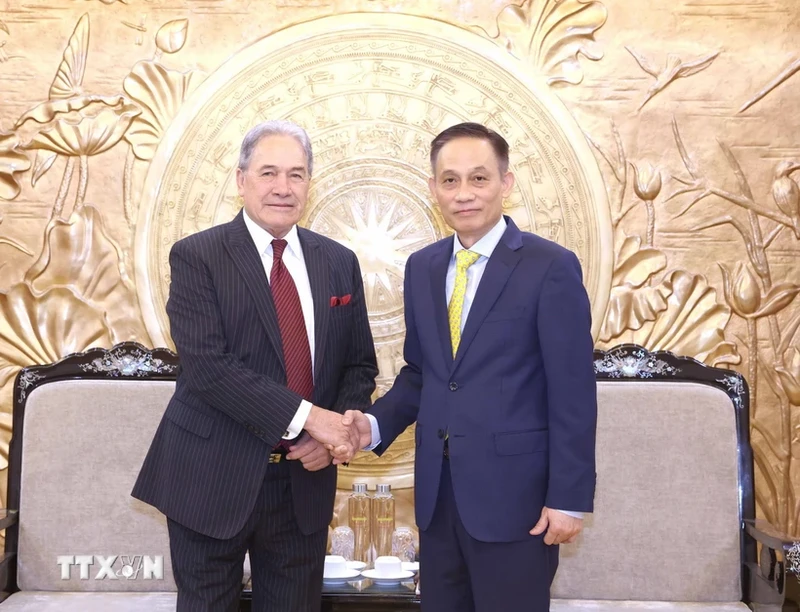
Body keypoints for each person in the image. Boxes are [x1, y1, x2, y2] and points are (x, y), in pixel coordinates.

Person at [338, 122, 597, 611]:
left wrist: (568, 498)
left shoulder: (550, 266)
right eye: (450, 180)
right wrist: (369, 426)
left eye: (478, 179)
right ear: (434, 188)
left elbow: (573, 392)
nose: (464, 194)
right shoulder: (423, 267)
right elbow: (423, 374)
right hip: (437, 500)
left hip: (517, 501)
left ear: (506, 183)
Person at [132, 120, 378, 612]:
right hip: (211, 474)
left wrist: (335, 438)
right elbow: (209, 369)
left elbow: (358, 366)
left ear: (311, 183)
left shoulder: (338, 261)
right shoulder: (198, 255)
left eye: (296, 174)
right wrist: (311, 418)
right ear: (241, 180)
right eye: (268, 173)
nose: (283, 188)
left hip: (303, 482)